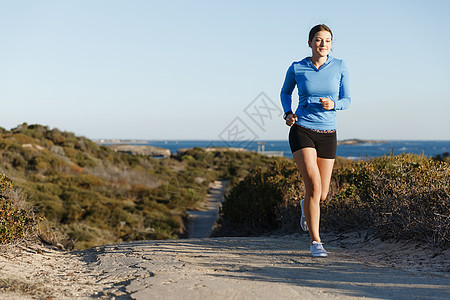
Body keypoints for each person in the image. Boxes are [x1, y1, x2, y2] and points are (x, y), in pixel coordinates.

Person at [280, 24, 351, 257]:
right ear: (310, 42)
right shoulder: (298, 67)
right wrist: (288, 113)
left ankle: (305, 206)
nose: (323, 45)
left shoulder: (340, 66)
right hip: (302, 130)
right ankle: (315, 242)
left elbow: (347, 98)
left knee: (321, 195)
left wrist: (335, 105)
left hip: (328, 134)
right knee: (313, 184)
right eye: (319, 40)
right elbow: (285, 92)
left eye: (328, 41)